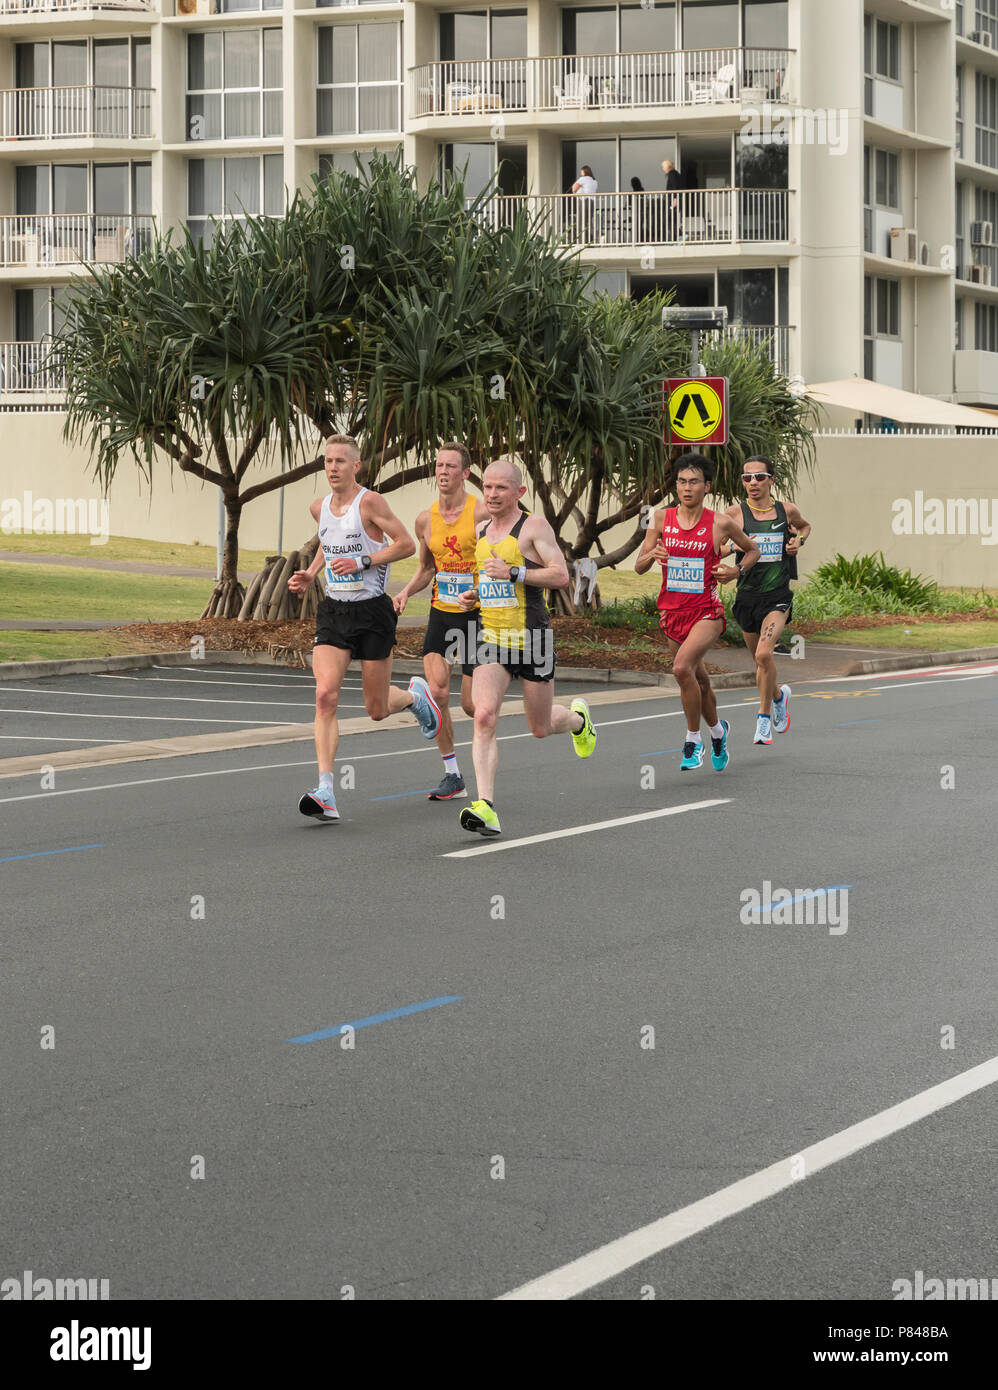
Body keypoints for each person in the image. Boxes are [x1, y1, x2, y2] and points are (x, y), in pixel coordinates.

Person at [288, 435, 442, 821]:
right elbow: (329, 540)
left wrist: (362, 562)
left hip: (373, 612)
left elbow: (405, 544)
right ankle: (326, 790)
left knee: (376, 710)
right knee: (325, 695)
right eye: (327, 461)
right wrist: (311, 572)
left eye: (341, 461)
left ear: (357, 466)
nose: (332, 467)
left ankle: (413, 698)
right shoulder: (318, 506)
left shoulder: (370, 502)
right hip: (335, 612)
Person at [456, 458, 596, 836]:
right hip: (490, 638)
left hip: (532, 638)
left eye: (500, 488)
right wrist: (475, 595)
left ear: (518, 492)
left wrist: (515, 572)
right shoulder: (482, 530)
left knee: (540, 727)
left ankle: (578, 720)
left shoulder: (532, 526)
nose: (491, 494)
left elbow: (561, 575)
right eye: (486, 487)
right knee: (484, 716)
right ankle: (485, 806)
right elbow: (491, 584)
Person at [635, 452, 760, 774]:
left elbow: (753, 550)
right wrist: (653, 552)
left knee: (680, 670)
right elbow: (638, 566)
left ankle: (694, 741)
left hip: (706, 612)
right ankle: (718, 733)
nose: (686, 488)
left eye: (693, 482)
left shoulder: (720, 523)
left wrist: (735, 572)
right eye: (681, 482)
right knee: (699, 680)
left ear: (707, 487)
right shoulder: (661, 519)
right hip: (672, 613)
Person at [393, 441, 489, 799]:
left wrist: (480, 591)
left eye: (451, 466)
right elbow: (428, 567)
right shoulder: (424, 519)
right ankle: (453, 775)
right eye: (439, 466)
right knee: (437, 694)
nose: (443, 472)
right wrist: (404, 592)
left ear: (465, 473)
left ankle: (485, 762)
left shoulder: (481, 514)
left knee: (470, 704)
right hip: (441, 614)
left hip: (476, 615)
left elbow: (497, 558)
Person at [722, 455, 812, 745]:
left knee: (764, 655)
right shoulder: (734, 514)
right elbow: (719, 547)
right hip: (747, 597)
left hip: (777, 597)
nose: (753, 483)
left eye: (759, 477)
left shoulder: (786, 510)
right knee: (760, 664)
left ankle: (762, 721)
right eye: (747, 478)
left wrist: (798, 541)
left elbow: (805, 527)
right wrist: (729, 553)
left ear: (772, 480)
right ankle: (778, 696)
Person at [571, 164, 598, 242]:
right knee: (587, 223)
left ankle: (581, 242)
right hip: (592, 202)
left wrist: (575, 192)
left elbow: (574, 189)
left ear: (584, 172)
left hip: (584, 201)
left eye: (581, 171)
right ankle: (598, 237)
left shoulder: (583, 179)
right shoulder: (594, 181)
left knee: (580, 222)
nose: (580, 173)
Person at [661, 158, 683, 241]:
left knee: (667, 218)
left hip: (673, 200)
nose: (662, 168)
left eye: (663, 166)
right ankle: (676, 237)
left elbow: (675, 187)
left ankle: (678, 236)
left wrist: (675, 200)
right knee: (671, 219)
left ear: (667, 166)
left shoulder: (672, 173)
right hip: (673, 200)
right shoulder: (674, 173)